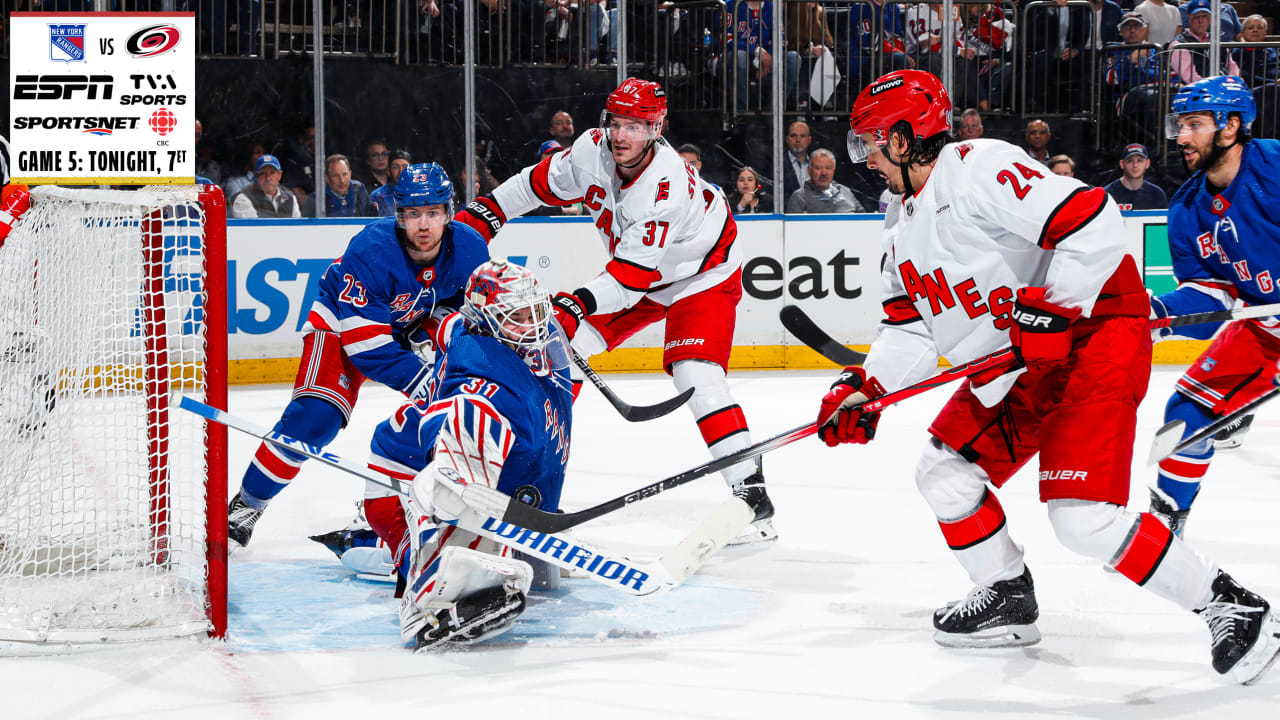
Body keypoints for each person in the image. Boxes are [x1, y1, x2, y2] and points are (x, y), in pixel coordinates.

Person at [822, 69, 1280, 684]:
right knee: (945, 474)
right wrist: (865, 388)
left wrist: (1057, 302)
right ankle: (1005, 595)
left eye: (871, 143)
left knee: (1082, 518)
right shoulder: (899, 224)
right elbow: (909, 327)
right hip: (1019, 364)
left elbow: (1089, 218)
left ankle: (1233, 606)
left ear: (903, 139)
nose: (867, 158)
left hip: (1093, 338)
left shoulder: (976, 166)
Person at [453, 78, 777, 544]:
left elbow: (628, 279)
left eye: (637, 126)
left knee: (696, 375)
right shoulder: (591, 149)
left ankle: (751, 496)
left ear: (657, 129)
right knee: (558, 357)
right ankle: (527, 480)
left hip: (701, 273)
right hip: (638, 274)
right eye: (616, 123)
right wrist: (486, 213)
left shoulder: (664, 187)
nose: (622, 136)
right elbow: (535, 184)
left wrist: (576, 301)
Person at [226, 163, 490, 550]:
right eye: (413, 214)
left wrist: (440, 332)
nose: (423, 225)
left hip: (412, 321)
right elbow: (367, 347)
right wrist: (431, 385)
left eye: (433, 213)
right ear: (398, 214)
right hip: (342, 326)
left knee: (467, 401)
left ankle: (437, 503)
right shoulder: (371, 249)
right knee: (315, 419)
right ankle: (247, 505)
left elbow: (468, 311)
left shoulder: (470, 247)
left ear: (449, 212)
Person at [365, 259, 573, 649]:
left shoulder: (503, 341)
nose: (531, 326)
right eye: (517, 317)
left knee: (529, 568)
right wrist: (455, 480)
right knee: (467, 511)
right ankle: (424, 598)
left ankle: (406, 548)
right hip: (399, 480)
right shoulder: (476, 371)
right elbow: (452, 417)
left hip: (442, 461)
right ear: (487, 321)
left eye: (535, 313)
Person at [1148, 76, 1280, 541]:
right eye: (1180, 125)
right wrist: (1155, 314)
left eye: (1195, 124)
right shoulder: (1186, 208)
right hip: (1267, 329)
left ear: (1232, 126)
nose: (1182, 137)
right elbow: (1213, 299)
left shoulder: (1275, 167)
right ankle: (1167, 523)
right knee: (1186, 412)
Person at [1170, 0, 1240, 84]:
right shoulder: (1180, 44)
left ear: (1210, 18)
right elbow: (1190, 78)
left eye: (1204, 16)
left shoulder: (1217, 41)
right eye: (1196, 16)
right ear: (1189, 18)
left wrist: (1235, 82)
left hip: (1224, 87)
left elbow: (1232, 67)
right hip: (1199, 92)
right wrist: (1216, 86)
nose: (1201, 21)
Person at [786, 149, 864, 213]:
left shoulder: (846, 192)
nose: (824, 173)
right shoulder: (799, 197)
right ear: (809, 170)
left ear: (833, 170)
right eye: (818, 168)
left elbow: (864, 222)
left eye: (828, 168)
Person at [304, 154, 377, 217]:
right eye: (336, 176)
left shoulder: (358, 189)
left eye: (345, 174)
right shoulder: (315, 200)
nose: (342, 180)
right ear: (327, 178)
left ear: (350, 174)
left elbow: (371, 219)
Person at [229, 154, 302, 219]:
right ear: (256, 175)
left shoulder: (290, 197)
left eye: (272, 172)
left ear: (280, 175)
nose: (268, 178)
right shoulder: (243, 198)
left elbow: (297, 228)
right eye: (262, 173)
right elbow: (252, 230)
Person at [1104, 143, 1167, 209]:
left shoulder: (1157, 194)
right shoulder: (1108, 195)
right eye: (1130, 161)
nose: (1135, 165)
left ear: (1147, 163)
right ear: (1122, 164)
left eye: (1140, 160)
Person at [1236, 15, 1279, 88]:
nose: (1255, 30)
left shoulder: (1275, 49)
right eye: (1250, 28)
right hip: (1260, 88)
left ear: (1266, 32)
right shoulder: (1239, 51)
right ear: (1242, 33)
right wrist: (1274, 83)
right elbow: (1246, 77)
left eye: (1260, 27)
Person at [371, 149, 414, 217]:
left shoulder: (421, 193)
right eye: (395, 167)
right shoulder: (377, 196)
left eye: (405, 167)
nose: (401, 171)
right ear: (388, 171)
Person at [784, 120, 813, 198]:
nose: (798, 140)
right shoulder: (776, 165)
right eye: (793, 136)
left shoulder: (817, 164)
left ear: (809, 140)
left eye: (803, 136)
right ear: (787, 139)